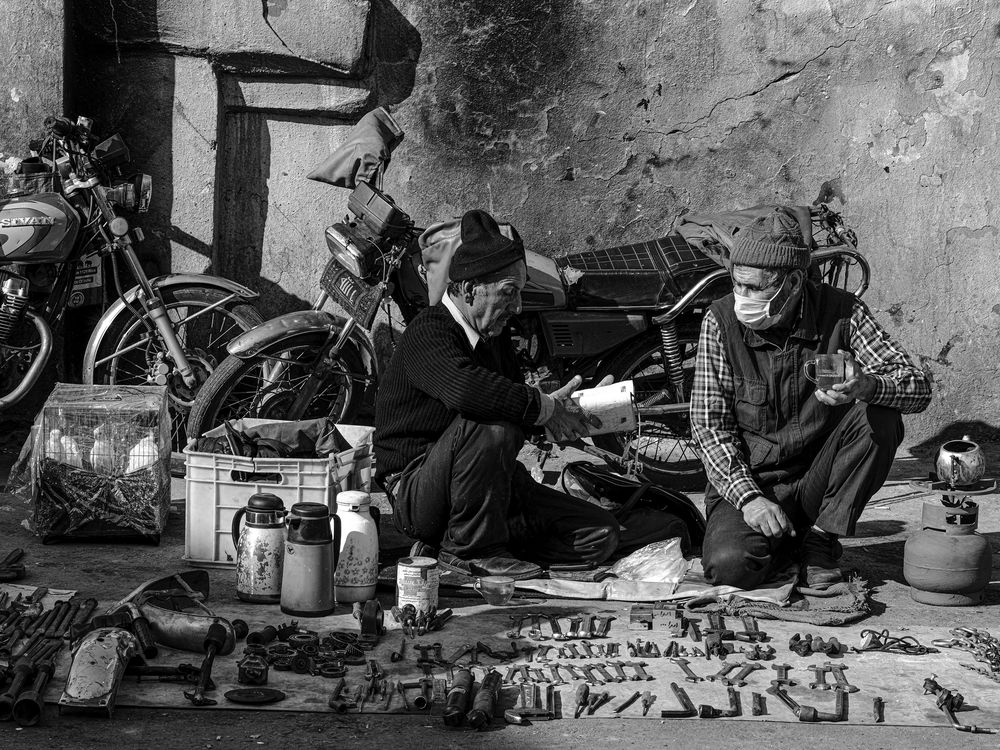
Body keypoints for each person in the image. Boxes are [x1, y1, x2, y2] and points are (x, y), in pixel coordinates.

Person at [689, 207, 932, 590]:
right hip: (755, 482)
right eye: (738, 285)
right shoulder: (719, 322)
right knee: (730, 568)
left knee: (881, 417)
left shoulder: (843, 312)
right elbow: (709, 427)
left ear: (793, 282)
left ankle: (820, 538)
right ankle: (785, 541)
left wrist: (866, 386)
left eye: (755, 288)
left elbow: (918, 387)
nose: (742, 298)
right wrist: (749, 499)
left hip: (818, 481)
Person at [374, 209, 620, 580]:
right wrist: (541, 406)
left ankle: (481, 542)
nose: (517, 307)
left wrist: (568, 413)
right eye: (509, 293)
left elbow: (517, 406)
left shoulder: (495, 336)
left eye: (519, 293)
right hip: (418, 491)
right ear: (469, 289)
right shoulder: (429, 330)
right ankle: (469, 551)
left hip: (483, 488)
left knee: (600, 534)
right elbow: (468, 392)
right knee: (493, 424)